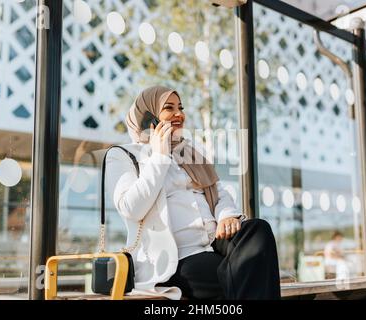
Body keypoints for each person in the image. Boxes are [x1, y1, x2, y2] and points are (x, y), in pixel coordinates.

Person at [105, 85, 281, 300]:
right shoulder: (123, 155)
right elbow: (131, 208)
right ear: (147, 118)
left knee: (258, 229)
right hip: (178, 256)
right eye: (169, 108)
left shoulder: (188, 151)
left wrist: (226, 215)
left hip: (215, 243)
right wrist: (159, 156)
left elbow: (217, 189)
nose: (179, 114)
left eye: (180, 107)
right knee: (245, 275)